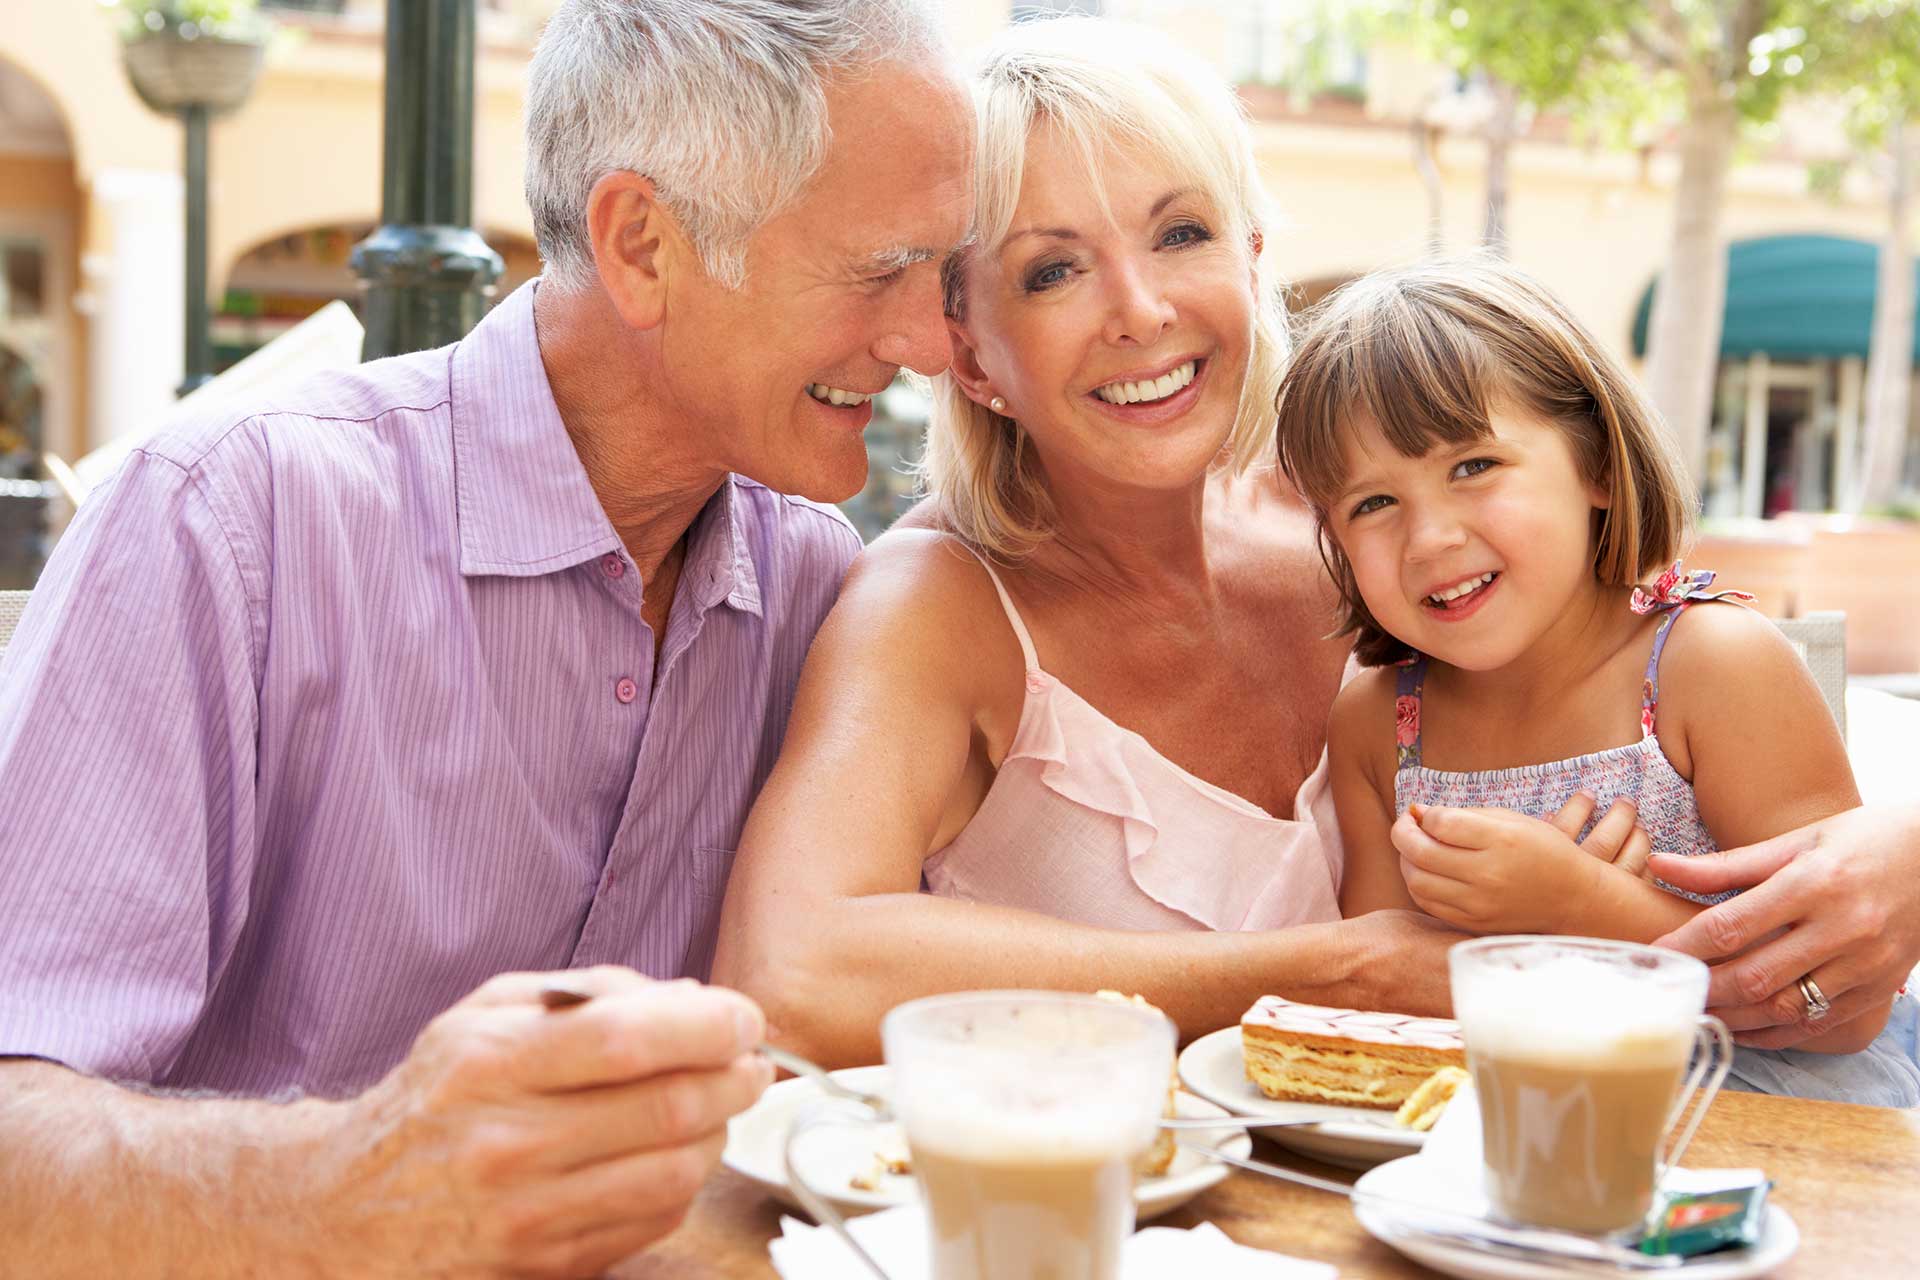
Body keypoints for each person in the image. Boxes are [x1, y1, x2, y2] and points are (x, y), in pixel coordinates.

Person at [0, 1, 970, 1274]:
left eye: (945, 275)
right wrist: (349, 1186)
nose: (936, 346)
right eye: (878, 269)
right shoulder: (233, 519)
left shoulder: (812, 578)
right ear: (640, 245)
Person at [713, 16, 1477, 1069]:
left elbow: (1635, 668)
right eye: (1051, 271)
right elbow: (788, 976)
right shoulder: (938, 602)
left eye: (1178, 235)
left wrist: (1790, 864)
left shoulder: (1357, 523)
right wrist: (1324, 973)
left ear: (1251, 263)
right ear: (969, 352)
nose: (1141, 310)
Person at [1275, 257, 1918, 1106]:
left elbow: (1839, 1010)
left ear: (1597, 467)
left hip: (1756, 1133)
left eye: (1472, 466)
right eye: (1371, 504)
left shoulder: (1710, 667)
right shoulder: (1380, 720)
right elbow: (1393, 994)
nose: (1428, 538)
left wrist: (1579, 907)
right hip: (1496, 1129)